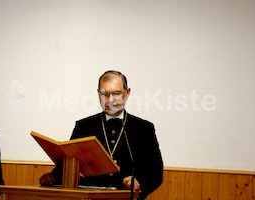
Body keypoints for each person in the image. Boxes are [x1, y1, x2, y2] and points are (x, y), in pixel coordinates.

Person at [40, 70, 163, 199]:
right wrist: (52, 177)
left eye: (116, 93)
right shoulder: (83, 126)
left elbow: (156, 173)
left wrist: (140, 182)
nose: (110, 100)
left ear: (127, 93)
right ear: (98, 93)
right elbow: (69, 163)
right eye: (105, 94)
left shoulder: (144, 128)